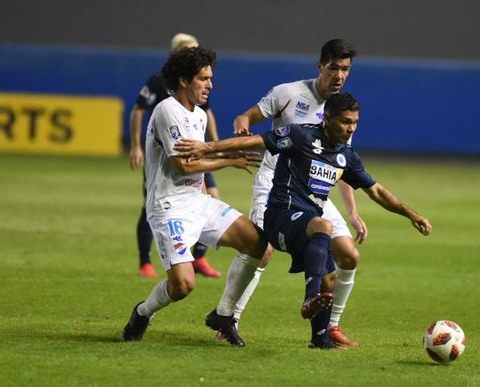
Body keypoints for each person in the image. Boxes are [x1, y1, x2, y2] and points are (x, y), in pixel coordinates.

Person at [176, 92, 432, 349]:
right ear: (327, 117)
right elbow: (257, 140)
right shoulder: (300, 136)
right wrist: (207, 148)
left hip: (307, 221)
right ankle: (309, 298)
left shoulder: (346, 155)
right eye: (345, 121)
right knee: (323, 226)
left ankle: (319, 339)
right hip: (280, 215)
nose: (351, 128)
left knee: (330, 277)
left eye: (355, 122)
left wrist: (411, 214)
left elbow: (376, 191)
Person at [122, 47, 268, 345]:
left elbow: (196, 167)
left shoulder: (199, 116)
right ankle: (143, 311)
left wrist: (208, 194)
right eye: (204, 78)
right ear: (184, 80)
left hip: (198, 201)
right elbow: (183, 164)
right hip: (169, 207)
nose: (210, 85)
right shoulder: (166, 111)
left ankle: (225, 315)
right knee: (183, 286)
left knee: (259, 244)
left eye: (210, 78)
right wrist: (228, 159)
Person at [230, 38, 364, 346]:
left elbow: (341, 164)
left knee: (349, 255)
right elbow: (245, 117)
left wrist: (353, 212)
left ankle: (330, 326)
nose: (340, 75)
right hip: (275, 184)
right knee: (261, 250)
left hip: (315, 191)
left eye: (346, 69)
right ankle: (230, 318)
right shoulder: (288, 93)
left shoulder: (343, 110)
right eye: (334, 68)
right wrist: (242, 132)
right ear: (320, 66)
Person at [129, 33, 222, 278]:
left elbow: (206, 114)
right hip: (166, 158)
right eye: (189, 51)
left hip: (196, 150)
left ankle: (199, 258)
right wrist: (136, 145)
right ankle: (145, 261)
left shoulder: (198, 88)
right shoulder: (160, 82)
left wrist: (215, 143)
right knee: (150, 207)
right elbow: (138, 110)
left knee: (211, 197)